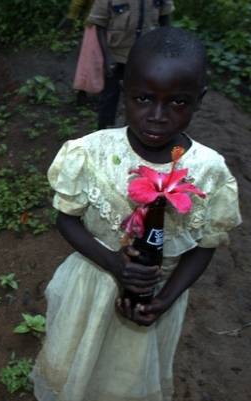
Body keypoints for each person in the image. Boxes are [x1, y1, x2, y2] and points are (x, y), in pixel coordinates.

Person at [31, 27, 242, 401]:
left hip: (156, 297)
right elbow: (66, 219)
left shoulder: (209, 171)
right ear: (123, 89)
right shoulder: (91, 153)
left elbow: (205, 246)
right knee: (78, 368)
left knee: (128, 376)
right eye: (143, 98)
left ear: (199, 99)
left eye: (178, 102)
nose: (157, 116)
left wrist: (167, 298)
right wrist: (114, 263)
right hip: (92, 285)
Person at [88, 0, 174, 129]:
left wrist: (164, 50)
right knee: (109, 97)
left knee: (142, 96)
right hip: (117, 56)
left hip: (147, 57)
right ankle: (103, 130)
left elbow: (165, 20)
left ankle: (133, 129)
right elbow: (100, 25)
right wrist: (107, 57)